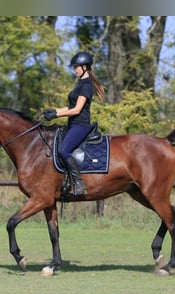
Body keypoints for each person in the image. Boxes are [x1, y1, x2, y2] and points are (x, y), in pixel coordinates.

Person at [44, 51, 105, 196]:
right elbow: (71, 106)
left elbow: (77, 110)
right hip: (72, 124)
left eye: (76, 67)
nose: (74, 69)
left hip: (81, 125)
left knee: (63, 151)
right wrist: (54, 111)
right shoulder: (80, 84)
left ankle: (78, 183)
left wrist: (57, 114)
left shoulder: (86, 86)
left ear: (84, 67)